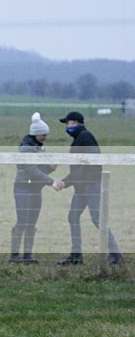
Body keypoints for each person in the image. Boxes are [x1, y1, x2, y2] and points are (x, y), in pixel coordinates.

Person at [52, 111, 124, 265]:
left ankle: (116, 255)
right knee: (73, 216)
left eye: (68, 123)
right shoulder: (80, 138)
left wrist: (65, 182)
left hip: (91, 184)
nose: (66, 126)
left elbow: (85, 166)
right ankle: (76, 255)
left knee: (97, 219)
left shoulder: (85, 137)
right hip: (82, 186)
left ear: (76, 122)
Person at [10, 112, 63, 263]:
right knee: (23, 221)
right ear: (36, 134)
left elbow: (41, 168)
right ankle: (14, 256)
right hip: (24, 188)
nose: (45, 138)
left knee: (32, 222)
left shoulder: (39, 147)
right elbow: (31, 170)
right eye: (43, 135)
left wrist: (51, 167)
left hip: (35, 189)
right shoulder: (26, 148)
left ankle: (27, 255)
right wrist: (51, 181)